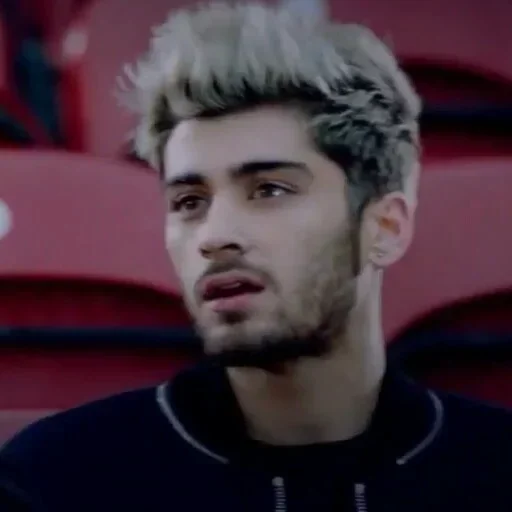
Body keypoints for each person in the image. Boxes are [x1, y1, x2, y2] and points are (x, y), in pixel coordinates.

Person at [1, 2, 511, 511]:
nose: (215, 235)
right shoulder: (56, 481)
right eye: (189, 202)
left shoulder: (496, 470)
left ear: (385, 227)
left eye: (270, 190)